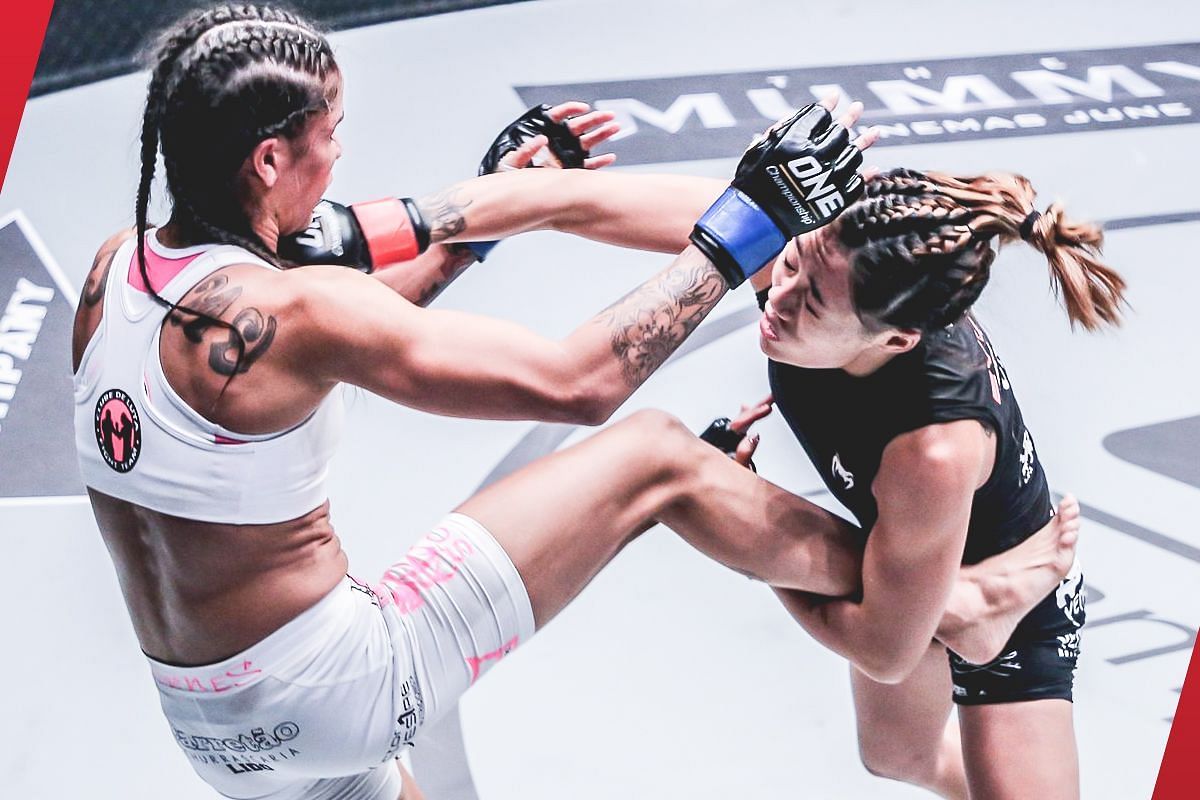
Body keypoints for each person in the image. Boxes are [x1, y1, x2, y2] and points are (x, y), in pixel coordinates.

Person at [70, 6, 1074, 799]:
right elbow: (577, 382)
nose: (342, 158)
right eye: (332, 136)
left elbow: (336, 319)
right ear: (271, 162)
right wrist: (740, 228)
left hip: (210, 727)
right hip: (340, 680)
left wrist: (471, 228)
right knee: (655, 455)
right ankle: (955, 600)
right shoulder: (303, 306)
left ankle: (945, 600)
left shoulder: (115, 271)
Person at [693, 167, 1120, 799]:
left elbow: (883, 647)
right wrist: (525, 201)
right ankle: (958, 605)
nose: (774, 300)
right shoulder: (831, 261)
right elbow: (692, 226)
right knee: (894, 755)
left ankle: (980, 603)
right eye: (786, 263)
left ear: (897, 339)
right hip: (901, 561)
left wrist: (744, 530)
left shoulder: (934, 447)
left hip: (1021, 609)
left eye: (808, 304)